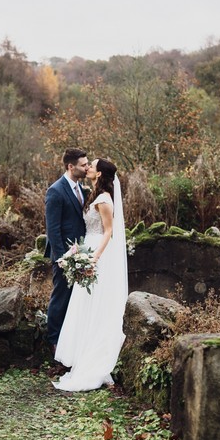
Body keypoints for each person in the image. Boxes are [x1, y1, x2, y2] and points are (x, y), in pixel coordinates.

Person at [53, 158, 127, 392]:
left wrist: (93, 258)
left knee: (96, 304)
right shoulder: (94, 195)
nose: (89, 168)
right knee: (85, 304)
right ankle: (82, 354)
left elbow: (108, 232)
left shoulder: (104, 199)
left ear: (100, 174)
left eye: (92, 166)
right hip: (87, 248)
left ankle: (95, 359)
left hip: (97, 254)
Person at [44, 148, 89, 350]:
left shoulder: (82, 188)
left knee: (75, 299)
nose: (87, 167)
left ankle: (71, 339)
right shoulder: (56, 190)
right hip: (64, 255)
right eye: (83, 165)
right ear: (71, 167)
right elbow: (52, 229)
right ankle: (54, 341)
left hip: (80, 253)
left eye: (88, 164)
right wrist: (62, 258)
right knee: (60, 297)